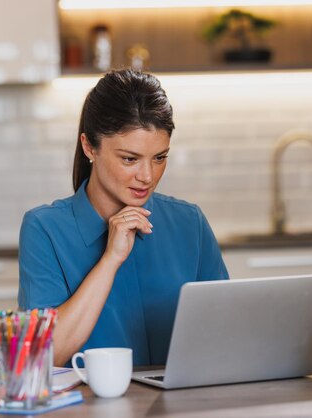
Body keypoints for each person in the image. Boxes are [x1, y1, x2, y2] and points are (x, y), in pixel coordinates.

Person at [18, 69, 229, 367]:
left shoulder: (189, 223)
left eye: (159, 158)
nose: (147, 177)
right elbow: (41, 359)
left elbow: (227, 335)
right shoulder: (44, 229)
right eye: (129, 159)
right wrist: (110, 260)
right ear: (89, 146)